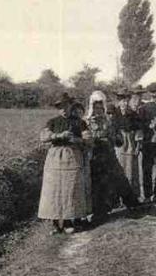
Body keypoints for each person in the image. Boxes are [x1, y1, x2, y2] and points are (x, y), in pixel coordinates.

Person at [38, 94, 92, 235]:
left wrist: (75, 139)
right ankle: (56, 223)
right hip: (55, 158)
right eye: (60, 107)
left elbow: (88, 140)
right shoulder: (52, 122)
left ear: (70, 106)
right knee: (54, 190)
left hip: (72, 157)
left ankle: (69, 221)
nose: (63, 110)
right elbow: (43, 137)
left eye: (66, 106)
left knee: (71, 189)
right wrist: (57, 136)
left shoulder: (79, 122)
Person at [85, 91, 140, 225]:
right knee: (98, 185)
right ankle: (100, 212)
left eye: (100, 108)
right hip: (95, 157)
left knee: (120, 178)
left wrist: (115, 138)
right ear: (92, 108)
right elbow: (85, 139)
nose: (98, 110)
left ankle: (133, 205)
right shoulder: (87, 122)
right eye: (96, 108)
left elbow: (118, 140)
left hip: (109, 155)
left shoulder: (109, 121)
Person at [112, 87, 143, 198]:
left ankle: (132, 196)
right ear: (118, 100)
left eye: (126, 99)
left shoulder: (133, 114)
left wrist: (138, 145)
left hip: (130, 142)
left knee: (131, 169)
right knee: (119, 168)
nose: (124, 102)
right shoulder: (114, 113)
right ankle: (119, 197)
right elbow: (112, 128)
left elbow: (138, 130)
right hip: (119, 142)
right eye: (121, 99)